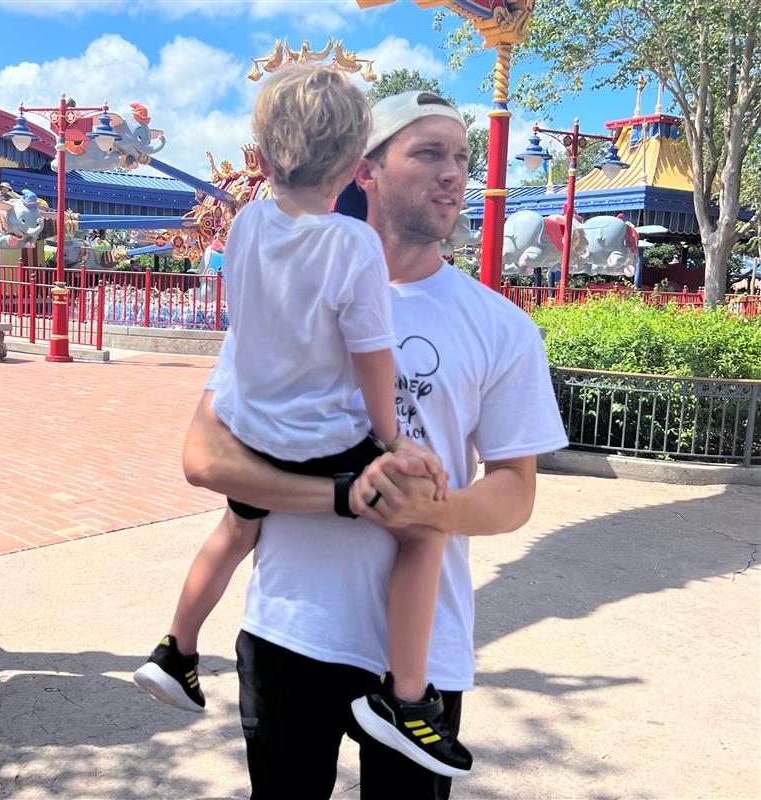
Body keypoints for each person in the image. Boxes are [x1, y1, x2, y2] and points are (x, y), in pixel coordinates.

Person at [176, 89, 569, 798]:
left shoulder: (501, 327)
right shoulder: (288, 298)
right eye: (428, 153)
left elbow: (514, 493)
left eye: (462, 157)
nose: (453, 173)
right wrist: (343, 496)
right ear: (365, 170)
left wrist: (427, 510)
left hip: (419, 656)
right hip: (290, 630)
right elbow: (205, 458)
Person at [133, 67, 470, 776]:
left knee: (236, 530)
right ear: (352, 170)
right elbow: (373, 358)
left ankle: (176, 650)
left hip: (251, 429)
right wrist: (392, 440)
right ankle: (406, 700)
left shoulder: (247, 222)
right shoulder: (351, 246)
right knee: (425, 531)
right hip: (320, 438)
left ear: (259, 158)